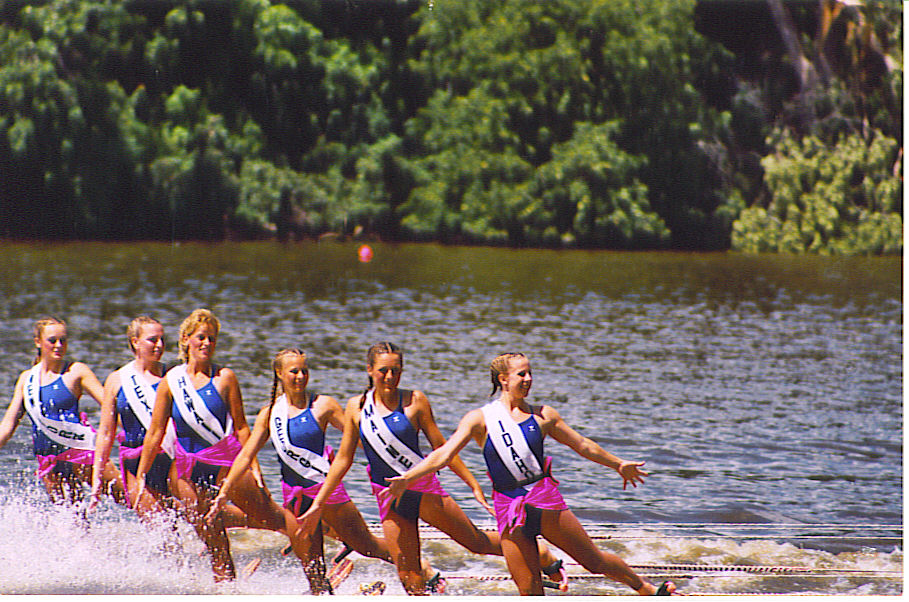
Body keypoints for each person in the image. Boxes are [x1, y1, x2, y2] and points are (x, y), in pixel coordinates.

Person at [384, 352, 676, 595]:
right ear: (503, 380)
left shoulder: (543, 415)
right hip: (508, 510)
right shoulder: (480, 419)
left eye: (530, 373)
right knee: (529, 591)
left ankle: (645, 589)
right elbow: (443, 454)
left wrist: (617, 464)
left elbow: (582, 445)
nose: (528, 379)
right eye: (521, 374)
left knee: (594, 561)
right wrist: (409, 478)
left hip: (545, 501)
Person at [299, 342, 566, 595]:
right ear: (370, 370)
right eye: (383, 371)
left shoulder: (415, 401)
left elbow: (442, 447)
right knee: (408, 572)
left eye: (396, 370)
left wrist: (472, 484)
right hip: (388, 494)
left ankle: (541, 554)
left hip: (424, 489)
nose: (390, 376)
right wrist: (317, 505)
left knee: (476, 543)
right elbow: (344, 460)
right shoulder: (356, 407)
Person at [206, 348, 442, 593]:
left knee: (365, 545)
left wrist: (398, 463)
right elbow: (246, 454)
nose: (300, 376)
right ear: (279, 374)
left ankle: (419, 567)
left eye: (304, 371)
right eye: (294, 371)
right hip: (294, 498)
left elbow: (363, 438)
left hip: (328, 493)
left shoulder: (323, 405)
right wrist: (225, 490)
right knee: (313, 572)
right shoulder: (269, 415)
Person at [134, 309, 278, 582]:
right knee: (213, 538)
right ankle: (226, 588)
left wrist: (255, 466)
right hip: (187, 470)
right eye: (201, 337)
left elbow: (241, 427)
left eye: (212, 339)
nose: (207, 344)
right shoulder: (171, 381)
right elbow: (155, 433)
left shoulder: (225, 378)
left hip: (225, 462)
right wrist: (141, 474)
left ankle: (316, 547)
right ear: (186, 339)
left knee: (270, 516)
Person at [0, 317, 125, 505]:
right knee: (71, 520)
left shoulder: (76, 371)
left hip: (80, 450)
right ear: (38, 342)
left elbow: (109, 407)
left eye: (63, 340)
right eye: (52, 340)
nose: (59, 345)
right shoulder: (27, 379)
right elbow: (9, 424)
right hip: (49, 458)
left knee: (126, 495)